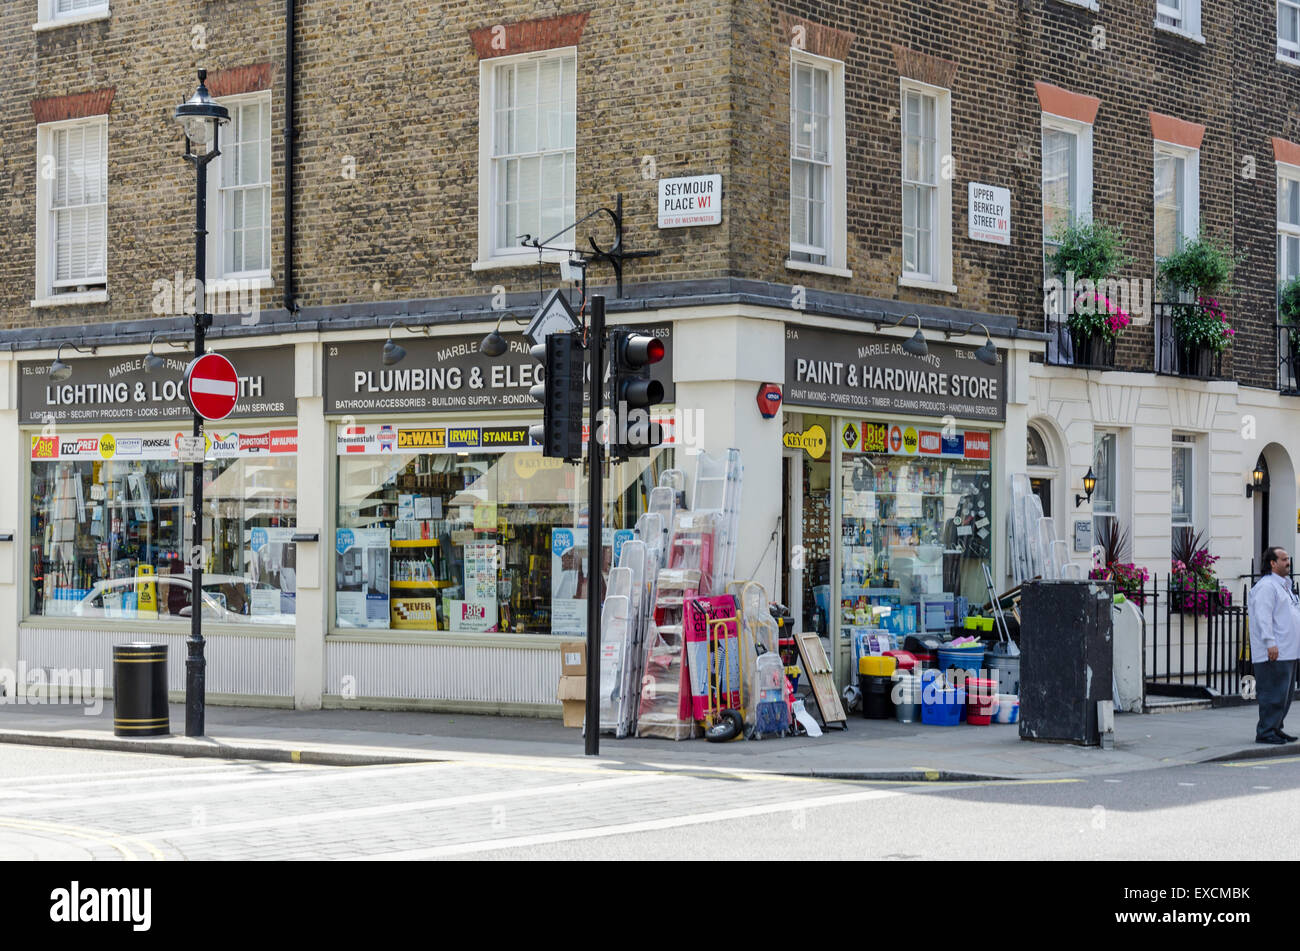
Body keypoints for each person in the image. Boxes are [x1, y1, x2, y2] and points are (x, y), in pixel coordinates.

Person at [1248, 547, 1300, 744]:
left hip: (1289, 650)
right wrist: (1270, 643)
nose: (1288, 562)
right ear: (1272, 563)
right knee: (1273, 694)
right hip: (1275, 651)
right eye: (1284, 559)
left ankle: (1276, 727)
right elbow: (1263, 617)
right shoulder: (1266, 586)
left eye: (1288, 559)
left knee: (1285, 695)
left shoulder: (1284, 585)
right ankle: (1266, 731)